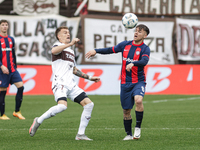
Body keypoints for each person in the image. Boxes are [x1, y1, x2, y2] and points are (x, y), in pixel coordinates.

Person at [29, 26, 100, 140]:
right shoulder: (57, 46)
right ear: (59, 36)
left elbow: (74, 70)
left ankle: (80, 135)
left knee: (89, 104)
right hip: (60, 83)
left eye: (68, 32)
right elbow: (53, 51)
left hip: (71, 85)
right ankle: (38, 120)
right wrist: (70, 43)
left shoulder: (71, 51)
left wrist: (90, 78)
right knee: (62, 106)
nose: (68, 34)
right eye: (65, 33)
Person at [85, 24, 150, 140]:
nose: (136, 33)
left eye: (140, 32)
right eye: (136, 31)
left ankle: (138, 127)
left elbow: (144, 61)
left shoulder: (145, 49)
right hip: (125, 83)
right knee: (126, 111)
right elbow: (110, 50)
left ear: (145, 36)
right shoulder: (125, 45)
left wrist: (134, 63)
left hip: (138, 81)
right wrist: (96, 50)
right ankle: (129, 135)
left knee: (138, 100)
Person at [0, 19, 25, 120]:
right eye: (2, 25)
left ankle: (17, 111)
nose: (5, 27)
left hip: (12, 69)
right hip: (2, 70)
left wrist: (15, 66)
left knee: (21, 87)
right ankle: (2, 115)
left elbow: (13, 54)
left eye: (6, 25)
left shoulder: (11, 39)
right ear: (0, 27)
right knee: (3, 91)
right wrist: (1, 66)